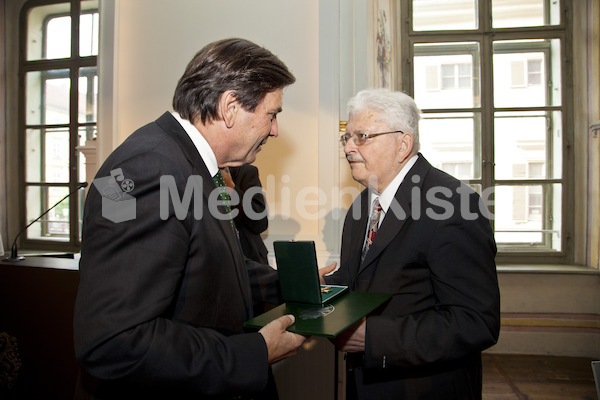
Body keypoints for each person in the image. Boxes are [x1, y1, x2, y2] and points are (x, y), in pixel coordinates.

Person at [73, 38, 306, 399]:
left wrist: (292, 283)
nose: (274, 129)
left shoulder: (192, 165)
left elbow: (210, 266)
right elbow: (114, 339)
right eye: (272, 114)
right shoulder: (150, 169)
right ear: (230, 107)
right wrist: (253, 353)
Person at [323, 89, 501, 399]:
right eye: (346, 138)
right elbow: (362, 282)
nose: (349, 148)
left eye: (362, 136)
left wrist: (372, 338)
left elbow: (475, 322)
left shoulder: (454, 204)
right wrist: (322, 287)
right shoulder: (363, 205)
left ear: (403, 144)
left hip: (425, 388)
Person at [220, 165, 269, 265]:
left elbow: (260, 223)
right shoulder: (194, 172)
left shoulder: (245, 172)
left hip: (248, 258)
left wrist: (231, 188)